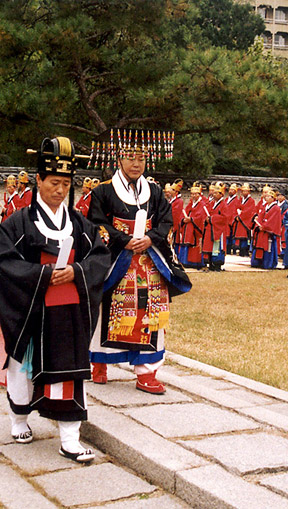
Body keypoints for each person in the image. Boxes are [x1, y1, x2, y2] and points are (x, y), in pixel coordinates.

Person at [0, 136, 110, 461]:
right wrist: (42, 276)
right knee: (22, 368)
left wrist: (76, 272)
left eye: (65, 183)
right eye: (53, 182)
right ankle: (19, 418)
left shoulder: (80, 224)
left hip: (68, 309)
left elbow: (99, 258)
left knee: (68, 371)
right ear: (38, 180)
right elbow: (4, 265)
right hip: (31, 308)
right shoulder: (17, 224)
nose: (60, 190)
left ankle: (69, 438)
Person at [87, 128, 191, 395]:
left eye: (141, 158)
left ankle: (147, 372)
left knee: (151, 314)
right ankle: (99, 361)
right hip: (116, 258)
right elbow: (96, 223)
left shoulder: (155, 191)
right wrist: (122, 240)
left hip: (148, 258)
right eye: (130, 157)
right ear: (119, 159)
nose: (136, 164)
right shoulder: (103, 191)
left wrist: (150, 238)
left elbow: (166, 221)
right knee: (107, 311)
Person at [250, 186, 281, 269]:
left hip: (268, 232)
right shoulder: (265, 206)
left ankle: (268, 263)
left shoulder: (276, 208)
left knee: (268, 247)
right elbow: (260, 216)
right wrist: (258, 223)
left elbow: (273, 220)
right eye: (266, 196)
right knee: (258, 245)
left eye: (268, 196)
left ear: (273, 198)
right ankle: (257, 262)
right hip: (261, 230)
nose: (266, 197)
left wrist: (264, 226)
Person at [179, 182, 208, 269]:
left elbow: (201, 216)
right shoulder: (191, 204)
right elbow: (185, 212)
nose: (193, 196)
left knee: (195, 245)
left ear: (199, 194)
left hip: (195, 229)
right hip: (188, 228)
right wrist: (183, 219)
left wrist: (191, 219)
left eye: (195, 194)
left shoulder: (202, 204)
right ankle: (184, 261)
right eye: (192, 194)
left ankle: (195, 262)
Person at [202, 182, 228, 271]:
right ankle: (210, 263)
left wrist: (212, 218)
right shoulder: (212, 203)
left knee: (217, 247)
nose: (214, 194)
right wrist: (207, 219)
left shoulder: (224, 205)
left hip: (218, 230)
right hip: (211, 228)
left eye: (216, 193)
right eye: (214, 192)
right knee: (210, 246)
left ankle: (217, 264)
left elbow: (224, 217)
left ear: (221, 194)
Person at [232, 183, 256, 257]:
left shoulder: (251, 201)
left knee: (244, 237)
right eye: (243, 191)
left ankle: (245, 251)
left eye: (246, 191)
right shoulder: (240, 199)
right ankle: (240, 250)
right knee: (239, 236)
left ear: (248, 192)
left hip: (245, 221)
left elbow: (249, 211)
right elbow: (236, 207)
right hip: (240, 220)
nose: (244, 193)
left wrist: (240, 216)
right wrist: (236, 216)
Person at [224, 183, 240, 255]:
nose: (231, 191)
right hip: (226, 219)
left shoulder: (237, 200)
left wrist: (233, 218)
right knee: (226, 235)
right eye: (230, 190)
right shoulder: (226, 199)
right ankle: (226, 250)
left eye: (233, 190)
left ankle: (232, 250)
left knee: (232, 235)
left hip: (232, 220)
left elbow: (236, 210)